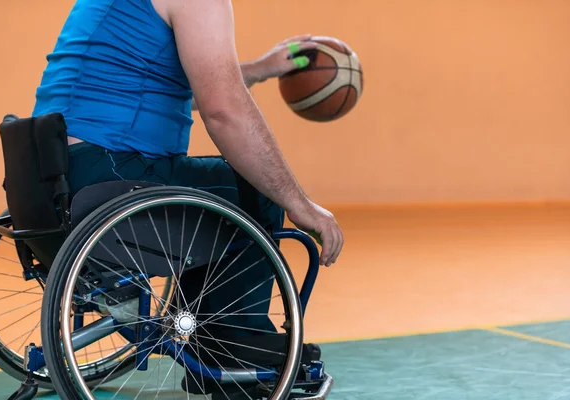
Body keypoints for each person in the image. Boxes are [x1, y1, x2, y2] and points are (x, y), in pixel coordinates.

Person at [32, 0, 344, 396]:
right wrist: (300, 204)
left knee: (225, 186)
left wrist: (262, 69)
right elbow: (223, 110)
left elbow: (174, 87)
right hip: (109, 169)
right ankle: (233, 352)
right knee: (254, 191)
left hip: (60, 171)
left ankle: (210, 337)